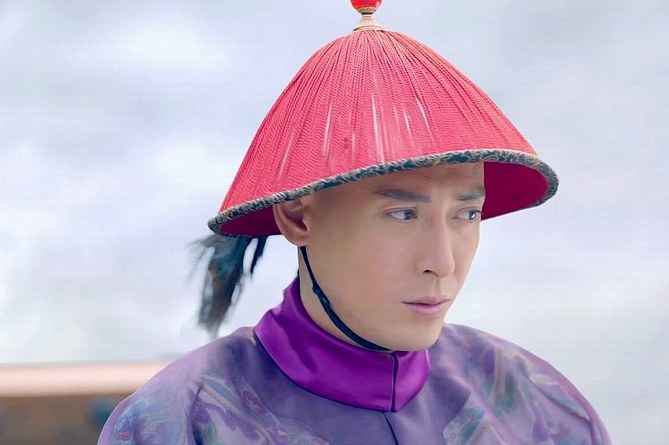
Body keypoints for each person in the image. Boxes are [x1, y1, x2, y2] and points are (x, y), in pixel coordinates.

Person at [98, 2, 611, 444]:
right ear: (297, 216)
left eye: (466, 214)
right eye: (402, 213)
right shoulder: (180, 423)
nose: (442, 262)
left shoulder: (539, 409)